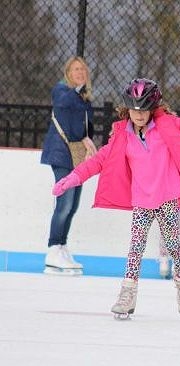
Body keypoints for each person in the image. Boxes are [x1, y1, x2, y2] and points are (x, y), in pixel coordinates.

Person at [52, 78, 180, 319]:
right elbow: (99, 160)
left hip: (167, 196)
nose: (139, 114)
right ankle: (127, 295)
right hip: (142, 200)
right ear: (128, 109)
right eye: (135, 109)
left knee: (174, 246)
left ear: (152, 108)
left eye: (144, 109)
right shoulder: (122, 136)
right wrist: (74, 177)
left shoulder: (166, 125)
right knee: (135, 248)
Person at [41, 56, 98, 276]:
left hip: (76, 157)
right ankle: (53, 248)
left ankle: (62, 248)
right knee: (64, 204)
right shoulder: (62, 90)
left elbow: (83, 125)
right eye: (76, 69)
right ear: (68, 72)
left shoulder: (83, 97)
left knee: (72, 205)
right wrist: (77, 92)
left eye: (83, 69)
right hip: (61, 154)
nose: (80, 73)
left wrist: (86, 137)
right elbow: (63, 105)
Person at [158, 194, 180, 279]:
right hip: (172, 198)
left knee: (168, 231)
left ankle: (167, 260)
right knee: (174, 231)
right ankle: (167, 260)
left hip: (170, 199)